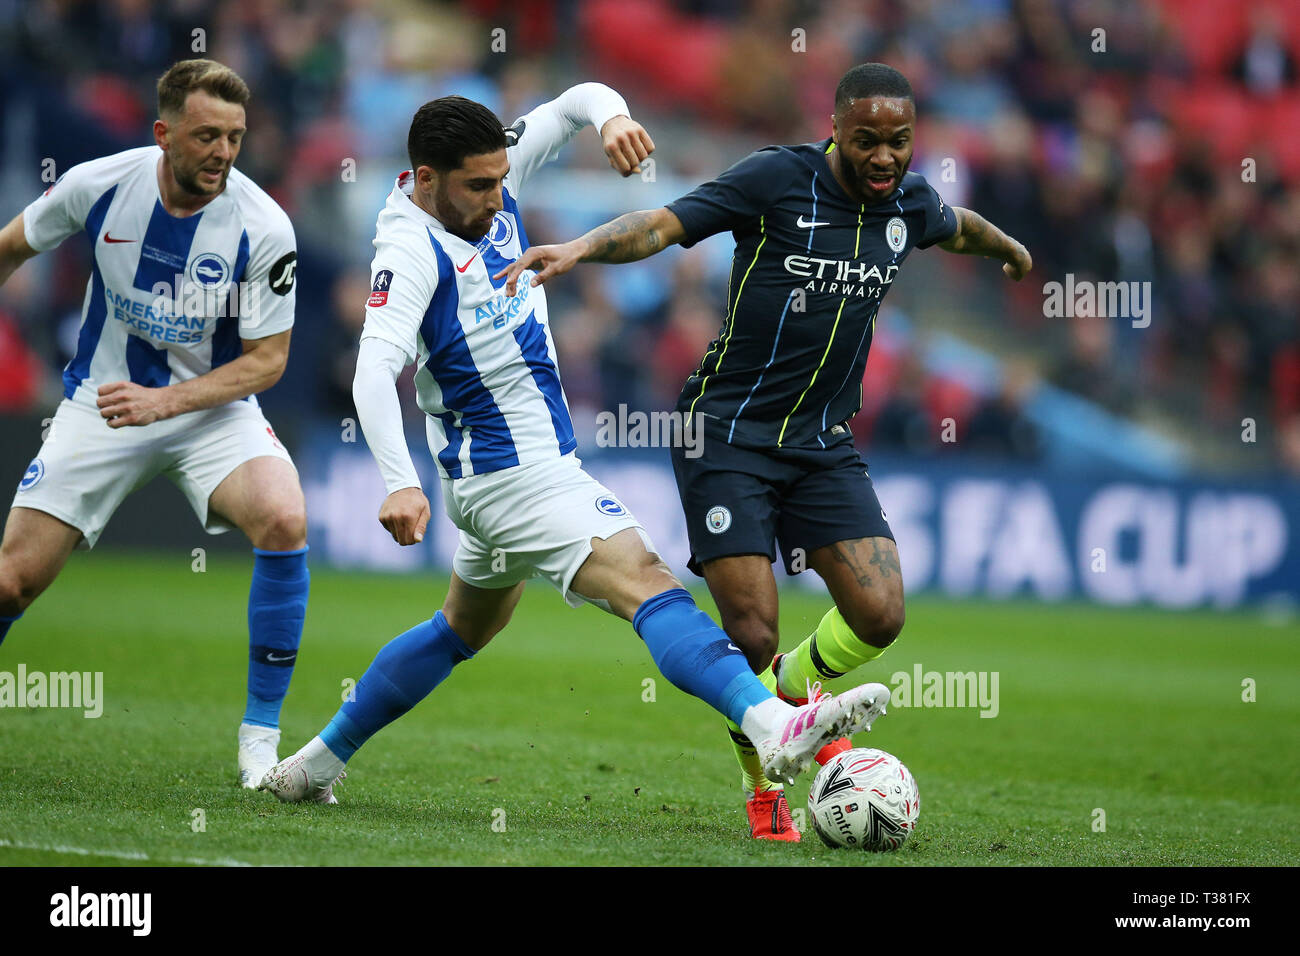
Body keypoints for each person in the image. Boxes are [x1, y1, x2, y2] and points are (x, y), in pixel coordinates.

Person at [260, 86, 890, 805]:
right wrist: (399, 481)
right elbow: (374, 369)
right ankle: (775, 723)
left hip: (515, 472)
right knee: (647, 580)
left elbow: (573, 103)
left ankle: (314, 764)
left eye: (503, 179)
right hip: (510, 477)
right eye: (480, 186)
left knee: (461, 628)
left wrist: (614, 117)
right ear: (425, 180)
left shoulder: (488, 176)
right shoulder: (409, 253)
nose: (499, 198)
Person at [498, 62, 1033, 841]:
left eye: (900, 141)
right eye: (867, 141)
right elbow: (663, 224)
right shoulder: (777, 181)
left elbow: (960, 226)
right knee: (748, 633)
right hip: (727, 433)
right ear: (837, 131)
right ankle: (762, 787)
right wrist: (580, 247)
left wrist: (1010, 250)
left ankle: (791, 689)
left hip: (822, 441)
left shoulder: (908, 206)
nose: (886, 157)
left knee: (881, 616)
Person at [0, 59, 310, 789]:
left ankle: (260, 743)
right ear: (163, 133)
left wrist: (169, 402)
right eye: (206, 136)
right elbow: (12, 245)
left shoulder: (264, 225)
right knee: (11, 583)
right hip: (100, 406)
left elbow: (268, 361)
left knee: (284, 518)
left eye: (234, 137)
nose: (223, 153)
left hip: (213, 412)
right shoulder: (99, 184)